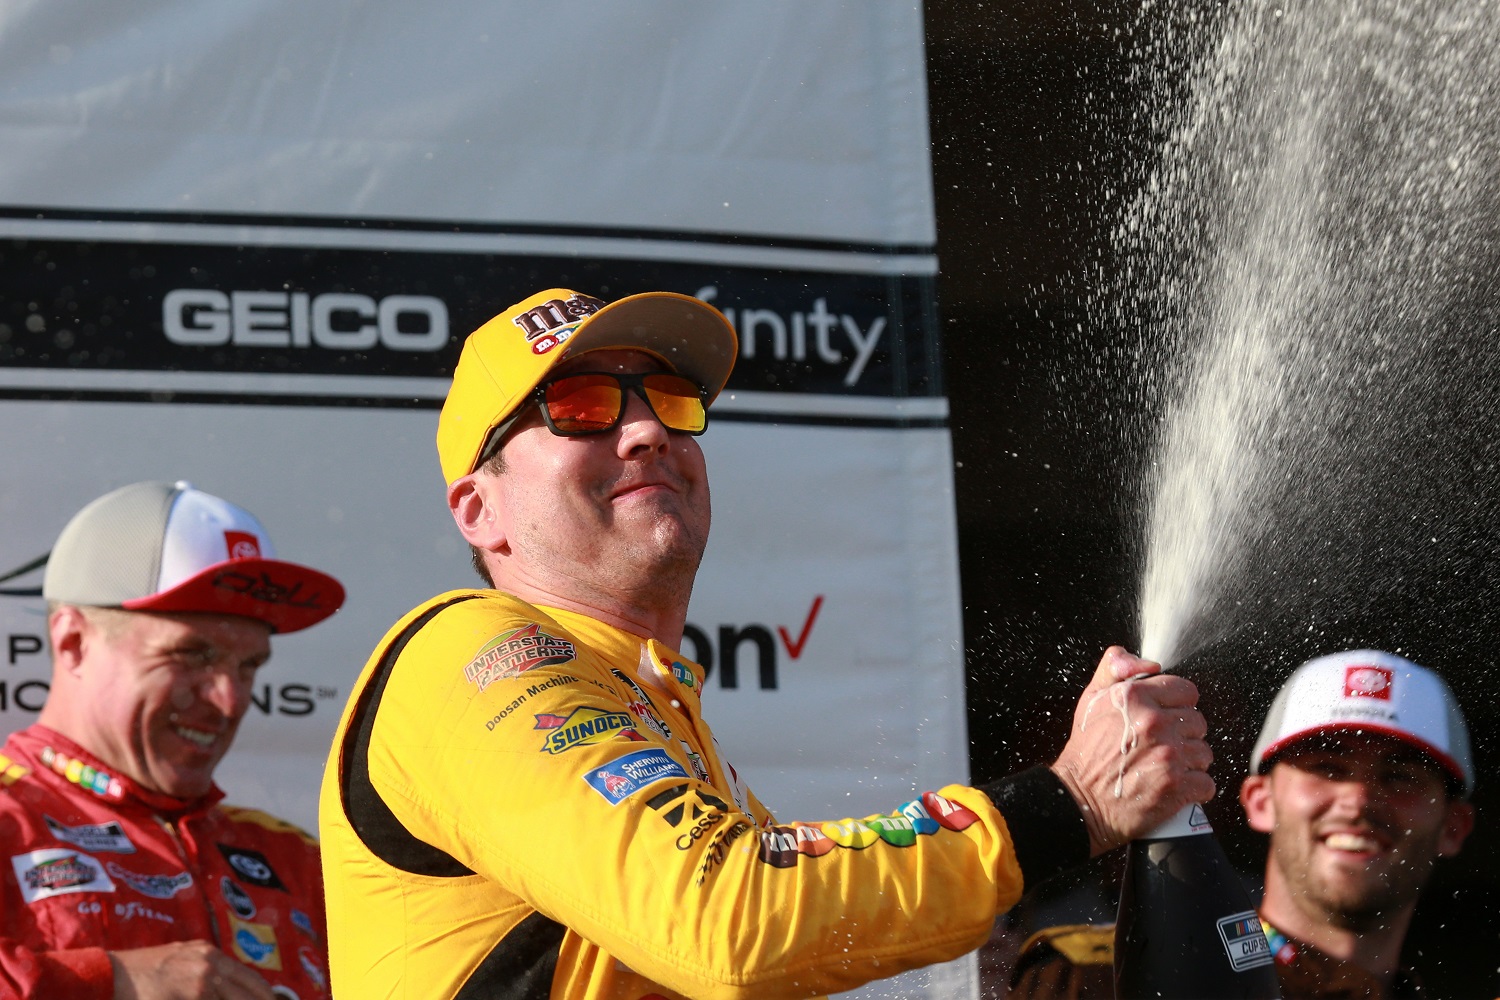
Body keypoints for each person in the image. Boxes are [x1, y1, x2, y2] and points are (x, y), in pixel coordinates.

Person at [317, 287, 1215, 999]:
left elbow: (789, 916)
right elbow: (732, 924)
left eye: (667, 399)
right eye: (580, 405)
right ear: (481, 509)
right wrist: (1067, 805)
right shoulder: (467, 651)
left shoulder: (660, 716)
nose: (647, 430)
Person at [0, 480, 346, 1000]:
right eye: (193, 655)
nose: (230, 700)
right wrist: (109, 980)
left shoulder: (297, 859)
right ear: (73, 642)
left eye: (248, 666)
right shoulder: (9, 819)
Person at [1007, 648, 1476, 1000]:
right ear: (1258, 801)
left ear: (1455, 825)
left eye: (1399, 777)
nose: (1358, 800)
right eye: (1328, 769)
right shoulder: (1098, 979)